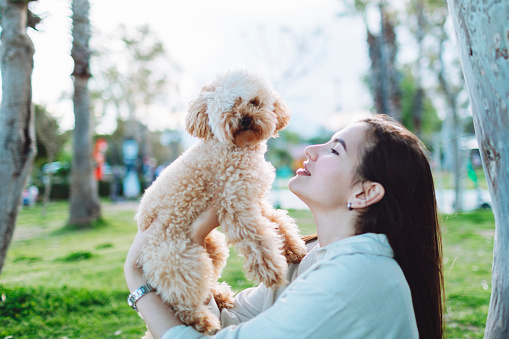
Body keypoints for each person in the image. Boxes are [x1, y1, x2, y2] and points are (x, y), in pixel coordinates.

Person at [125, 114, 444, 339]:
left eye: (334, 150)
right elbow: (230, 320)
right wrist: (192, 243)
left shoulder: (355, 276)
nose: (311, 151)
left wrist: (137, 278)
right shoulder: (313, 255)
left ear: (365, 192)